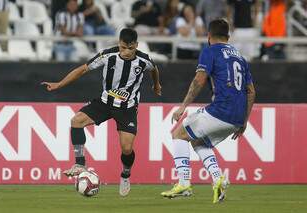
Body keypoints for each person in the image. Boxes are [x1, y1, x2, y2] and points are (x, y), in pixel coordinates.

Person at [41, 28, 162, 196]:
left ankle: (125, 174)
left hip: (127, 109)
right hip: (105, 102)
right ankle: (80, 164)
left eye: (130, 48)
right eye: (122, 47)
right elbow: (82, 69)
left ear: (136, 46)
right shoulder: (107, 55)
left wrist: (156, 85)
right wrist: (59, 84)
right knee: (76, 121)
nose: (126, 52)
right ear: (118, 44)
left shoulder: (144, 60)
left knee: (127, 149)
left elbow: (154, 69)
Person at [161, 19, 256, 203]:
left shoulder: (210, 51)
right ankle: (217, 178)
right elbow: (251, 91)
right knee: (198, 142)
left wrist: (182, 107)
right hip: (236, 117)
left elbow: (199, 81)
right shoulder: (241, 58)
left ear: (208, 36)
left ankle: (183, 183)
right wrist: (244, 121)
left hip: (221, 109)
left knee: (178, 134)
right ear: (228, 36)